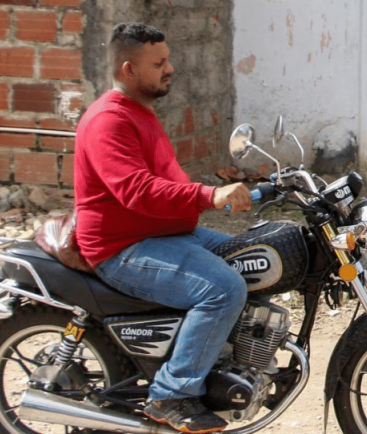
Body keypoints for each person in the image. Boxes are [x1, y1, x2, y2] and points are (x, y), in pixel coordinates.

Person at [75, 23, 251, 434]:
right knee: (224, 288)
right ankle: (171, 395)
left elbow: (168, 180)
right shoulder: (108, 121)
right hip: (123, 245)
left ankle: (225, 363)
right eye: (158, 63)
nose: (170, 68)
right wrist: (210, 196)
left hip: (162, 232)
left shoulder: (140, 113)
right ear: (128, 70)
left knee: (253, 255)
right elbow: (137, 191)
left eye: (167, 59)